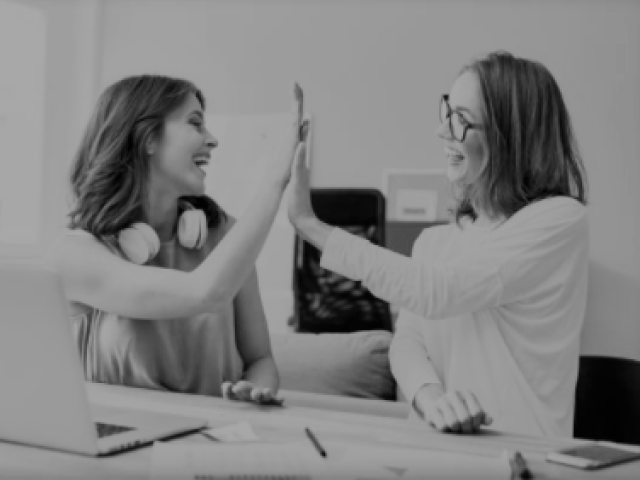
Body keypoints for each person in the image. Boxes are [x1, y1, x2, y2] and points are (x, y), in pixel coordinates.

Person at [287, 51, 588, 437]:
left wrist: (310, 225)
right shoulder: (436, 242)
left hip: (522, 452)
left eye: (461, 120)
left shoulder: (559, 221)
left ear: (509, 137)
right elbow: (408, 342)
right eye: (447, 112)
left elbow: (440, 291)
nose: (442, 132)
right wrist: (431, 398)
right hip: (440, 446)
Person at [48, 75, 307, 405]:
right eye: (195, 123)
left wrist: (254, 393)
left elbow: (259, 359)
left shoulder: (224, 234)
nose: (212, 140)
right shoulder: (74, 255)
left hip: (215, 431)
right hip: (119, 433)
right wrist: (275, 181)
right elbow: (204, 293)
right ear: (148, 138)